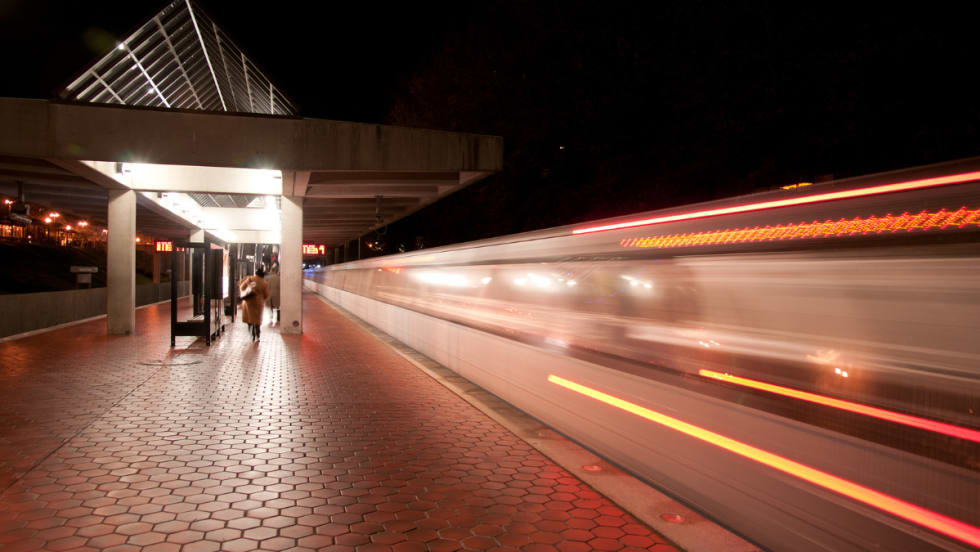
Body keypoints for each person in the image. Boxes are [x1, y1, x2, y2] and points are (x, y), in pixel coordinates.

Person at [239, 267, 270, 341]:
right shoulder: (264, 283)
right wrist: (261, 297)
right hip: (258, 303)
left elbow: (242, 287)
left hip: (248, 302)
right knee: (257, 319)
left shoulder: (250, 279)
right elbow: (266, 294)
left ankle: (251, 330)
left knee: (249, 317)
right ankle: (257, 333)